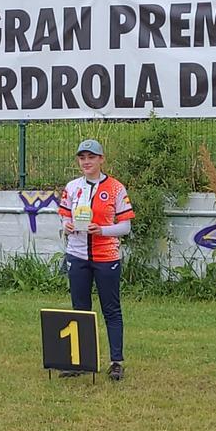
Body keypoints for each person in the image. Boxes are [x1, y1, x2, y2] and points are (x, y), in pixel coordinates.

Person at [57, 139, 135, 381]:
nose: (86, 162)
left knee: (111, 309)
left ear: (102, 159)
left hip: (106, 257)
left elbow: (125, 227)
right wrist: (67, 226)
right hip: (78, 255)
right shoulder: (72, 187)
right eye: (82, 158)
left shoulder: (115, 188)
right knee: (80, 309)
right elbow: (64, 218)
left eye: (91, 157)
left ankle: (116, 362)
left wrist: (102, 230)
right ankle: (80, 361)